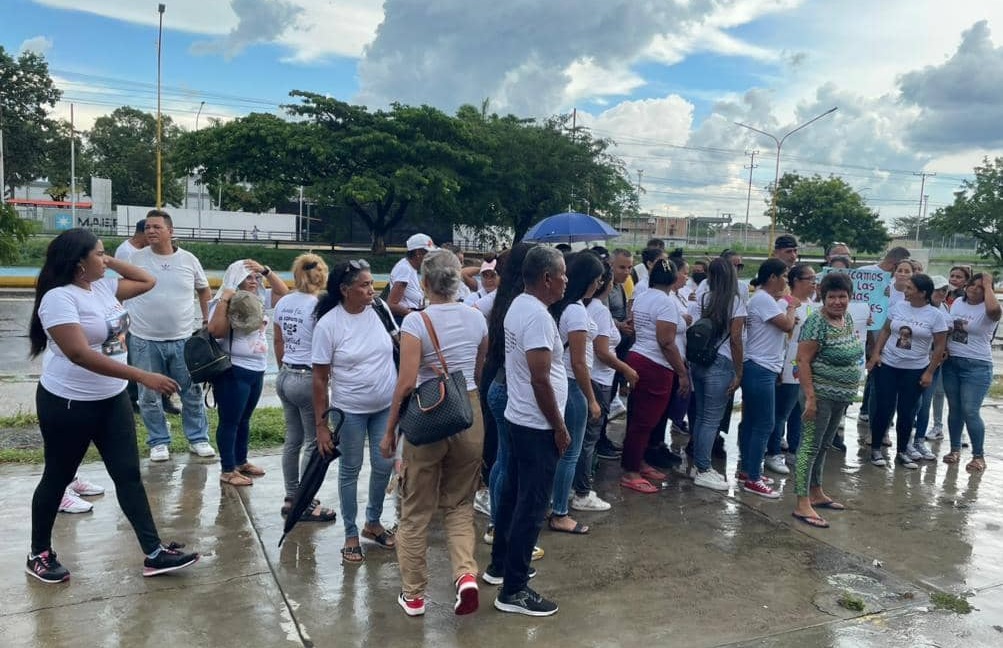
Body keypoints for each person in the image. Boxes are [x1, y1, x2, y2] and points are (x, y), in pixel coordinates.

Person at [26, 228, 199, 583]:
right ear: (78, 265)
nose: (105, 260)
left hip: (111, 399)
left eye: (106, 254)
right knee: (57, 477)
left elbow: (147, 279)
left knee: (128, 476)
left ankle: (154, 553)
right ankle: (39, 553)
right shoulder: (59, 298)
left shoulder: (102, 287)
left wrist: (106, 259)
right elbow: (78, 353)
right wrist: (142, 376)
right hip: (69, 403)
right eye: (99, 255)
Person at [379, 249, 489, 617]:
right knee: (459, 504)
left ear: (424, 283)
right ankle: (465, 576)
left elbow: (407, 383)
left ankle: (414, 595)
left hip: (427, 417)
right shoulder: (477, 319)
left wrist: (391, 429)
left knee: (415, 511)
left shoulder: (415, 323)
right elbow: (477, 369)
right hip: (468, 411)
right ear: (458, 281)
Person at [488, 245, 568, 617]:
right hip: (536, 425)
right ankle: (514, 589)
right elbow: (540, 378)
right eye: (563, 274)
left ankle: (501, 564)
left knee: (513, 497)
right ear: (548, 278)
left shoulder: (520, 305)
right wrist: (559, 426)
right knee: (532, 506)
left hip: (521, 417)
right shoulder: (536, 316)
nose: (567, 280)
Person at [312, 260, 397, 563]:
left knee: (384, 463)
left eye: (371, 283)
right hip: (350, 412)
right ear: (345, 291)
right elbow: (320, 379)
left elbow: (398, 344)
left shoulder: (380, 310)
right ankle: (350, 533)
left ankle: (372, 524)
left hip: (385, 406)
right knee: (351, 469)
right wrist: (322, 427)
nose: (371, 290)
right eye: (364, 285)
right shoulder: (328, 325)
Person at [127, 210, 215, 462]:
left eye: (156, 227)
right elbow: (122, 290)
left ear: (170, 231)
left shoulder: (188, 260)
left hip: (183, 340)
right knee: (148, 394)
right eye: (147, 228)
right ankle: (158, 441)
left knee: (191, 391)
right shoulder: (136, 258)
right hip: (144, 339)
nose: (151, 231)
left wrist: (207, 319)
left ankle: (198, 438)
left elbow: (204, 289)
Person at [483, 244, 546, 562]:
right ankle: (500, 527)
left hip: (498, 385)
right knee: (509, 466)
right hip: (509, 391)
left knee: (502, 462)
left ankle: (497, 523)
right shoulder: (523, 307)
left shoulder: (504, 301)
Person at [791, 272, 863, 528]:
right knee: (809, 446)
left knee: (824, 445)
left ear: (849, 297)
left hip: (839, 397)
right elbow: (803, 361)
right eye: (832, 297)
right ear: (823, 297)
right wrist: (811, 398)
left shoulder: (847, 318)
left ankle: (816, 491)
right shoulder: (815, 323)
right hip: (819, 396)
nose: (837, 302)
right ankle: (802, 503)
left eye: (842, 296)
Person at [207, 259, 289, 486]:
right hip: (234, 369)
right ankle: (227, 469)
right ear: (236, 279)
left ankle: (240, 461)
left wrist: (266, 270)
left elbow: (284, 293)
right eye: (248, 278)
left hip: (257, 368)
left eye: (257, 278)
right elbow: (215, 331)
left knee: (244, 419)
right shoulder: (223, 301)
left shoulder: (259, 299)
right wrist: (227, 296)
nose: (254, 282)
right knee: (230, 420)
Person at [273, 254, 335, 521]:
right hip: (309, 379)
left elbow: (278, 340)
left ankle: (291, 495)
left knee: (293, 439)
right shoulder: (319, 306)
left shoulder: (284, 301)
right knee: (313, 440)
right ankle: (305, 502)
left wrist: (283, 368)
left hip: (286, 375)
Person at [621, 258, 689, 494]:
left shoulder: (643, 297)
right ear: (672, 279)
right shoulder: (665, 303)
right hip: (655, 364)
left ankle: (638, 461)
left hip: (639, 356)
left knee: (641, 417)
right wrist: (681, 372)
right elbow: (666, 341)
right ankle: (631, 471)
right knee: (644, 421)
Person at [866, 274, 948, 469]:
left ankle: (902, 451)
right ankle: (876, 449)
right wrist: (876, 353)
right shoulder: (899, 307)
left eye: (910, 288)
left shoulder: (936, 316)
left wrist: (929, 372)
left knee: (907, 412)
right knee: (884, 409)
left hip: (914, 369)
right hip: (888, 366)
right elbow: (886, 330)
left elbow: (939, 347)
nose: (906, 291)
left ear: (923, 293)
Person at [575, 261, 638, 510]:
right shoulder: (598, 310)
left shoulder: (588, 307)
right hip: (599, 378)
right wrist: (626, 369)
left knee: (584, 437)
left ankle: (577, 486)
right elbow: (602, 351)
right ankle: (582, 490)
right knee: (589, 438)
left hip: (596, 376)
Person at [548, 252, 603, 533]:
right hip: (572, 386)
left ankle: (554, 502)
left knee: (560, 450)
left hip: (560, 383)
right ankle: (560, 512)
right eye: (596, 279)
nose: (599, 284)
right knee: (570, 453)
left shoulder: (558, 306)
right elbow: (579, 361)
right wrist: (591, 398)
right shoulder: (577, 311)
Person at [739, 259, 799, 498]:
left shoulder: (765, 300)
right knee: (764, 423)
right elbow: (786, 325)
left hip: (761, 366)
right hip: (760, 367)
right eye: (784, 276)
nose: (786, 281)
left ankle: (748, 470)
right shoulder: (764, 299)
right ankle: (753, 478)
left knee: (753, 422)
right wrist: (792, 305)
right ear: (772, 277)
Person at [688, 258, 746, 490]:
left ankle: (697, 465)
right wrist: (739, 371)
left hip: (701, 361)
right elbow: (736, 339)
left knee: (702, 417)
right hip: (721, 364)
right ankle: (703, 468)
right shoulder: (735, 302)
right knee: (711, 419)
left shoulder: (704, 298)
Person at [941, 272, 1000, 471]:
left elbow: (994, 310)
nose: (975, 289)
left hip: (977, 366)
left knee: (970, 411)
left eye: (981, 287)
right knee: (955, 409)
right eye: (972, 285)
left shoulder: (989, 308)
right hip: (952, 363)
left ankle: (978, 456)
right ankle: (954, 449)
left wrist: (989, 284)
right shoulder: (957, 302)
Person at [768, 263, 817, 475]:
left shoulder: (814, 305)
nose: (814, 284)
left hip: (808, 365)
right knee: (782, 411)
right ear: (796, 281)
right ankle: (773, 453)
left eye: (816, 279)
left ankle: (795, 450)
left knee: (800, 410)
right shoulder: (784, 303)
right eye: (810, 279)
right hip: (788, 364)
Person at [856, 246, 911, 423]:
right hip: (862, 334)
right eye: (900, 269)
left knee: (877, 380)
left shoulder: (897, 285)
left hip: (884, 340)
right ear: (894, 264)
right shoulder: (865, 273)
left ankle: (877, 418)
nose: (902, 273)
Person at [909, 275, 951, 459]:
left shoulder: (945, 309)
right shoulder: (916, 309)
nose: (941, 293)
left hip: (933, 365)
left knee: (925, 404)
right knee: (911, 405)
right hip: (913, 363)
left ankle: (919, 440)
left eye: (944, 290)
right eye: (937, 289)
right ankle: (907, 442)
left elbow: (943, 341)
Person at [388, 233, 435, 322]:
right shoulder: (405, 269)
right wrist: (417, 316)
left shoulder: (410, 268)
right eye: (429, 253)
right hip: (404, 320)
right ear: (418, 253)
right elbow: (392, 304)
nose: (431, 258)